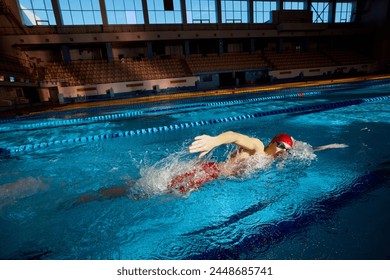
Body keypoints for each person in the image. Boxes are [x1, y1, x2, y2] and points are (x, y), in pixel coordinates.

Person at [74, 131, 347, 203]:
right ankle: (96, 195)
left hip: (213, 179)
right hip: (210, 173)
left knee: (154, 191)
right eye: (281, 147)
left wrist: (328, 147)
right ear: (273, 142)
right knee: (149, 191)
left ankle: (109, 193)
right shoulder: (255, 146)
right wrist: (215, 140)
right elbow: (233, 136)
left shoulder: (273, 158)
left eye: (285, 150)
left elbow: (304, 150)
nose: (282, 152)